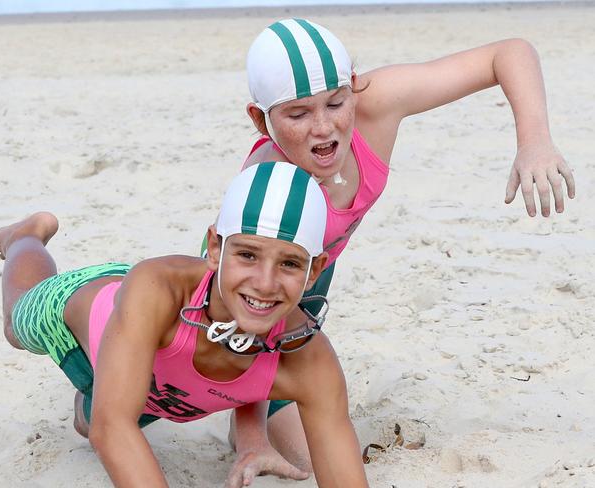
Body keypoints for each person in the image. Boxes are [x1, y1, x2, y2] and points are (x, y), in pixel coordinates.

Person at [229, 17, 577, 481]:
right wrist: (251, 439)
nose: (324, 128)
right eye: (298, 115)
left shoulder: (378, 103)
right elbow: (235, 316)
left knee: (325, 454)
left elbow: (508, 52)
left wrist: (534, 141)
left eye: (336, 103)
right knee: (122, 405)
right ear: (261, 119)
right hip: (254, 305)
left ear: (354, 87)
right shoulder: (270, 185)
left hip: (312, 279)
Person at [0, 162, 369, 488]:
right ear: (216, 248)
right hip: (85, 320)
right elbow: (111, 430)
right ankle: (24, 237)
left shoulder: (310, 359)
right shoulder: (156, 289)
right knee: (16, 324)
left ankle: (93, 396)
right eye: (247, 255)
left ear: (314, 270)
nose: (265, 283)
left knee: (95, 416)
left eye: (289, 263)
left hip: (160, 386)